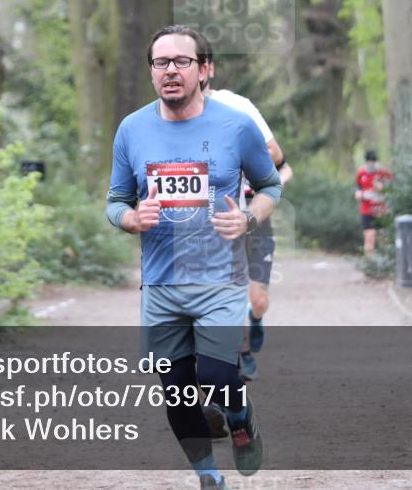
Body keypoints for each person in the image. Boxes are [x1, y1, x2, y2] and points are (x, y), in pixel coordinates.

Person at [106, 25, 282, 489]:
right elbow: (115, 201)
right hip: (161, 285)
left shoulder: (236, 126)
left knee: (219, 375)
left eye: (181, 62)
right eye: (160, 63)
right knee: (179, 394)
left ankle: (241, 416)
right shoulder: (132, 129)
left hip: (220, 279)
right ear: (151, 72)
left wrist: (248, 219)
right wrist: (130, 218)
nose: (170, 71)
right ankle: (209, 478)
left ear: (203, 71)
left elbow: (271, 185)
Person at [197, 39, 292, 382]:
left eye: (194, 63)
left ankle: (255, 320)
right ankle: (238, 352)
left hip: (250, 217)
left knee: (257, 299)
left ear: (207, 70)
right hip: (206, 223)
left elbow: (277, 156)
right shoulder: (167, 117)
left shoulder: (236, 106)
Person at [355, 149, 392, 257]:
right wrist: (360, 194)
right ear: (366, 162)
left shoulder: (383, 172)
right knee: (369, 237)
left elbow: (392, 188)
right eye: (369, 162)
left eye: (373, 161)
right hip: (367, 210)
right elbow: (358, 189)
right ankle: (369, 265)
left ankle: (384, 263)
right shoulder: (361, 172)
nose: (371, 164)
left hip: (381, 210)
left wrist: (382, 188)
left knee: (383, 239)